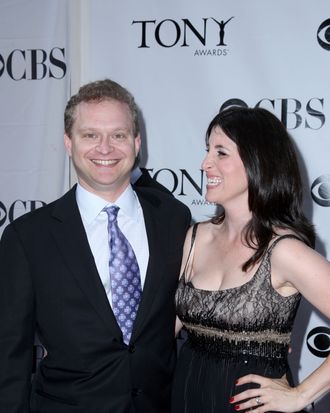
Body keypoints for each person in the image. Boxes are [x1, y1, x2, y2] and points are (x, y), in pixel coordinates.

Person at [0, 79, 191, 413]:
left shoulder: (174, 219)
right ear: (68, 143)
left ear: (136, 142)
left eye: (118, 135)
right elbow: (8, 355)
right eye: (90, 135)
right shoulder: (28, 237)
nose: (106, 148)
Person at [171, 106, 330, 412]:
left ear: (258, 162)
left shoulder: (284, 251)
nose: (205, 164)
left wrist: (301, 395)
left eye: (221, 153)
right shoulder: (194, 238)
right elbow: (161, 331)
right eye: (207, 151)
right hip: (186, 398)